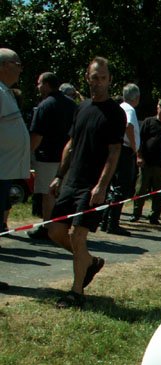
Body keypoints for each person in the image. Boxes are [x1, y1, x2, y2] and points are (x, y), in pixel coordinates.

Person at [47, 56, 126, 309]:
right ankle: (89, 262)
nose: (99, 82)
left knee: (77, 235)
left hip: (92, 185)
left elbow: (114, 152)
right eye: (94, 77)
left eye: (103, 78)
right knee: (54, 231)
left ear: (110, 80)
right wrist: (59, 175)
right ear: (87, 78)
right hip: (72, 180)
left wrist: (101, 186)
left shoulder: (115, 113)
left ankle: (76, 292)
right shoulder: (81, 108)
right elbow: (71, 145)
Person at [27, 71, 76, 240]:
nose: (38, 86)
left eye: (39, 83)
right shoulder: (72, 105)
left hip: (47, 157)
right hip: (68, 158)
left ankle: (47, 228)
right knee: (64, 194)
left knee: (48, 195)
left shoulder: (45, 106)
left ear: (47, 85)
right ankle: (62, 226)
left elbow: (37, 134)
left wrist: (28, 154)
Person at [0, 48, 29, 291]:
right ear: (3, 66)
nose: (20, 68)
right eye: (16, 63)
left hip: (5, 171)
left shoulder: (5, 92)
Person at [102, 83, 139, 235]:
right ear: (136, 97)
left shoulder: (118, 107)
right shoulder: (129, 109)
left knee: (111, 185)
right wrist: (134, 146)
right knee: (121, 187)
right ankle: (113, 223)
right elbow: (128, 125)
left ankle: (105, 220)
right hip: (124, 150)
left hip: (115, 148)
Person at [131, 98, 161, 224]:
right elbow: (140, 140)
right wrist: (139, 156)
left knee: (159, 192)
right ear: (157, 108)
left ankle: (154, 216)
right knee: (140, 189)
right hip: (146, 162)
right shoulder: (149, 121)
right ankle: (136, 213)